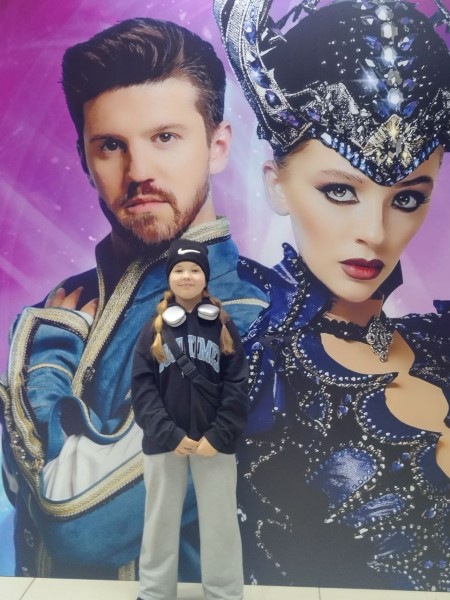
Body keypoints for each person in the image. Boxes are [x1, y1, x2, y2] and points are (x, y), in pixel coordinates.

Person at [0, 17, 268, 580]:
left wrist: (46, 358)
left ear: (218, 146)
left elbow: (78, 523)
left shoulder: (247, 317)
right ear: (84, 159)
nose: (138, 172)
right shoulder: (75, 302)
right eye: (111, 146)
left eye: (165, 137)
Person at [215, 0, 450, 592]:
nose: (375, 232)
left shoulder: (438, 342)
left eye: (407, 198)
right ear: (277, 185)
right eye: (341, 191)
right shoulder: (256, 375)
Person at [132, 239, 247, 600]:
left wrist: (219, 434)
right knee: (159, 521)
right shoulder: (152, 329)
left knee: (221, 523)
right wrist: (168, 433)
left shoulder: (224, 326)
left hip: (215, 443)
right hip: (165, 442)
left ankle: (224, 593)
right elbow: (142, 389)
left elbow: (237, 386)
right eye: (179, 270)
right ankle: (155, 592)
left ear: (205, 277)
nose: (186, 276)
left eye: (194, 269)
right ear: (169, 277)